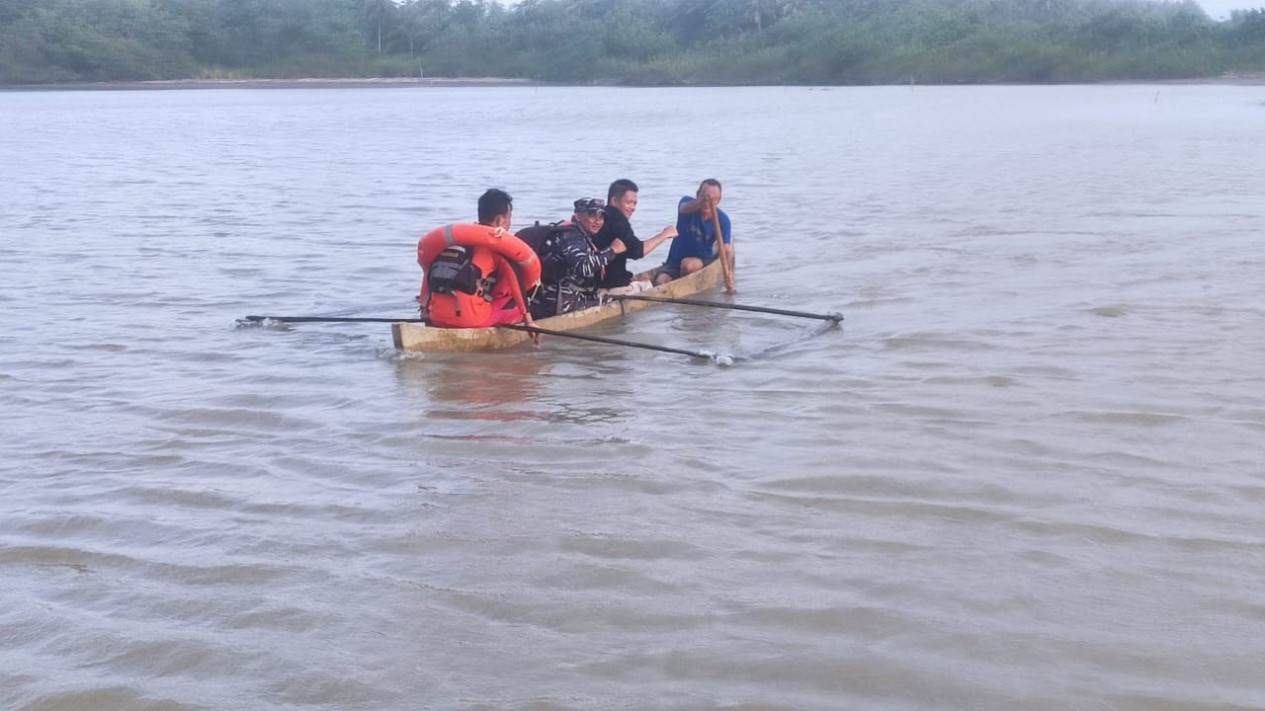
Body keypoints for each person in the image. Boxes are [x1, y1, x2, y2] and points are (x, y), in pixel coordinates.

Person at [416, 188, 541, 331]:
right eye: (509, 218)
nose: (509, 223)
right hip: (470, 319)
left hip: (436, 315)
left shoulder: (452, 242)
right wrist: (528, 319)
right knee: (515, 308)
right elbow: (514, 280)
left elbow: (429, 272)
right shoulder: (499, 247)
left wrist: (425, 311)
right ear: (500, 220)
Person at [529, 198, 627, 319]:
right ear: (578, 216)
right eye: (592, 215)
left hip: (542, 299)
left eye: (601, 216)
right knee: (616, 303)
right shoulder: (573, 236)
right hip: (561, 304)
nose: (598, 221)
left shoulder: (565, 231)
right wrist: (613, 250)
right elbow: (583, 266)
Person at [593, 178, 677, 292]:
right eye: (628, 202)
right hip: (613, 287)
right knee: (654, 287)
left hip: (595, 286)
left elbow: (628, 250)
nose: (633, 208)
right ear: (614, 200)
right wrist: (664, 235)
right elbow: (637, 251)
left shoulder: (599, 218)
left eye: (635, 203)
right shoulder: (618, 221)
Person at [654, 179, 735, 292]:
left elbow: (727, 251)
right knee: (660, 282)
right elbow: (683, 209)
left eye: (713, 198)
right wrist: (702, 200)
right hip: (674, 262)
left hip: (702, 261)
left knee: (688, 265)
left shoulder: (723, 220)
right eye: (703, 196)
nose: (707, 203)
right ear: (697, 195)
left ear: (719, 200)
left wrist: (729, 274)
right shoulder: (686, 203)